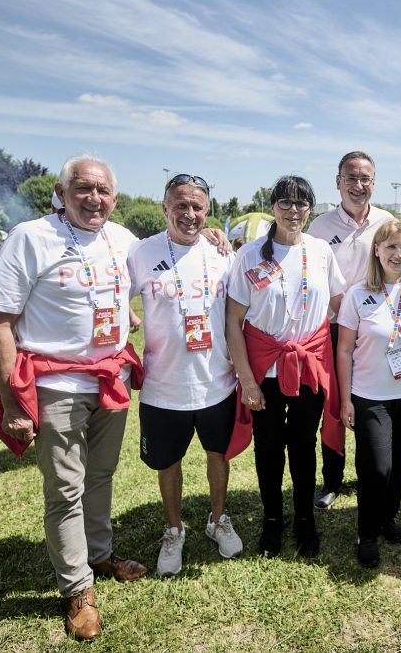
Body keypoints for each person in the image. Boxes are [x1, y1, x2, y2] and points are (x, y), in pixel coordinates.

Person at [0, 155, 147, 641]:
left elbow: (146, 270)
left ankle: (99, 554)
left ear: (115, 198)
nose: (94, 198)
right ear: (61, 192)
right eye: (83, 188)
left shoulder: (123, 239)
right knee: (65, 489)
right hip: (57, 386)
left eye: (103, 190)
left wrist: (216, 239)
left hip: (110, 380)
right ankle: (77, 588)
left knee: (101, 475)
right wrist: (13, 402)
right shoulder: (31, 237)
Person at [127, 174, 242, 578]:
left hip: (217, 383)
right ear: (165, 208)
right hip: (163, 387)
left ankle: (218, 519)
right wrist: (127, 317)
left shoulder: (223, 253)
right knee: (168, 462)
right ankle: (174, 530)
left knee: (218, 455)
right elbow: (112, 295)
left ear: (207, 211)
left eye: (197, 207)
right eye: (181, 205)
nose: (189, 214)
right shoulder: (142, 252)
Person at [225, 176, 347, 558]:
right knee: (268, 447)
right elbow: (233, 322)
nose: (293, 210)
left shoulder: (321, 251)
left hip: (308, 365)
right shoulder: (250, 255)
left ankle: (304, 520)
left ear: (310, 209)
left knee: (303, 445)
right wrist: (247, 381)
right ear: (273, 207)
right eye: (285, 202)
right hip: (265, 368)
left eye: (301, 203)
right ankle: (272, 520)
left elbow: (341, 304)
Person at [337, 219, 401, 568]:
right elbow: (344, 350)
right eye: (391, 246)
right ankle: (366, 533)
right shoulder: (358, 295)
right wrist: (346, 398)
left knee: (398, 462)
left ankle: (386, 517)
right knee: (377, 467)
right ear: (377, 250)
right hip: (370, 396)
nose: (398, 254)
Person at [307, 151, 394, 510]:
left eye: (365, 179)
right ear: (338, 182)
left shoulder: (387, 222)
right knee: (334, 408)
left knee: (371, 404)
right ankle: (331, 480)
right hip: (332, 331)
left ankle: (369, 474)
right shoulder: (319, 227)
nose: (358, 185)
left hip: (375, 332)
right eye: (351, 178)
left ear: (374, 182)